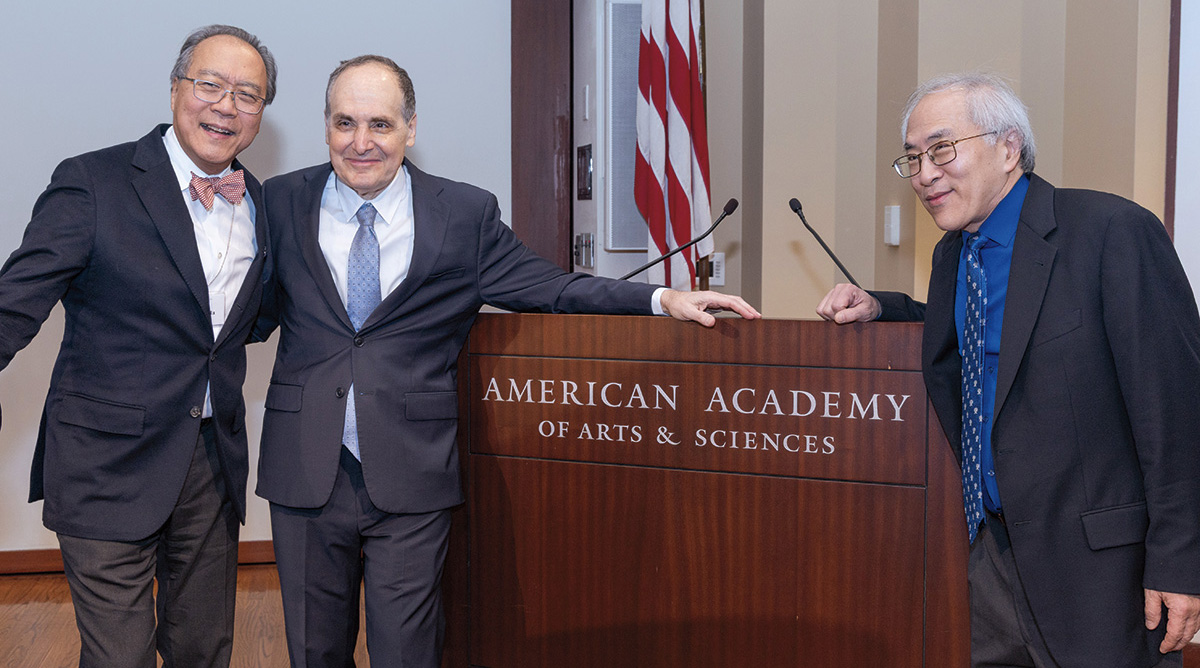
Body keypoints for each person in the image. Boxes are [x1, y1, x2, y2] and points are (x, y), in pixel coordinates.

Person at [253, 54, 760, 667]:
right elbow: (240, 306)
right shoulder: (278, 202)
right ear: (326, 126)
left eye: (380, 125)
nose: (361, 143)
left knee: (408, 653)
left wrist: (661, 298)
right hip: (304, 466)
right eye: (345, 123)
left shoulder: (463, 214)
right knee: (313, 652)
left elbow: (552, 286)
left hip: (410, 473)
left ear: (411, 128)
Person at [816, 72, 1200, 667]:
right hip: (991, 558)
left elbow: (1175, 410)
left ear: (1008, 146)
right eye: (913, 158)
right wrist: (883, 306)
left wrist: (1182, 562)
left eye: (941, 149)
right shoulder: (954, 256)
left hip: (1103, 576)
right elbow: (986, 336)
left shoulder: (1110, 231)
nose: (924, 173)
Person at [0, 25, 276, 667]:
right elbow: (14, 301)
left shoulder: (260, 202)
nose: (225, 104)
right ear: (176, 88)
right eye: (209, 84)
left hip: (211, 464)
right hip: (105, 460)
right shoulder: (92, 182)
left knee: (203, 650)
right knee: (119, 656)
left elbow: (247, 323)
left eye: (247, 93)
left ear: (262, 113)